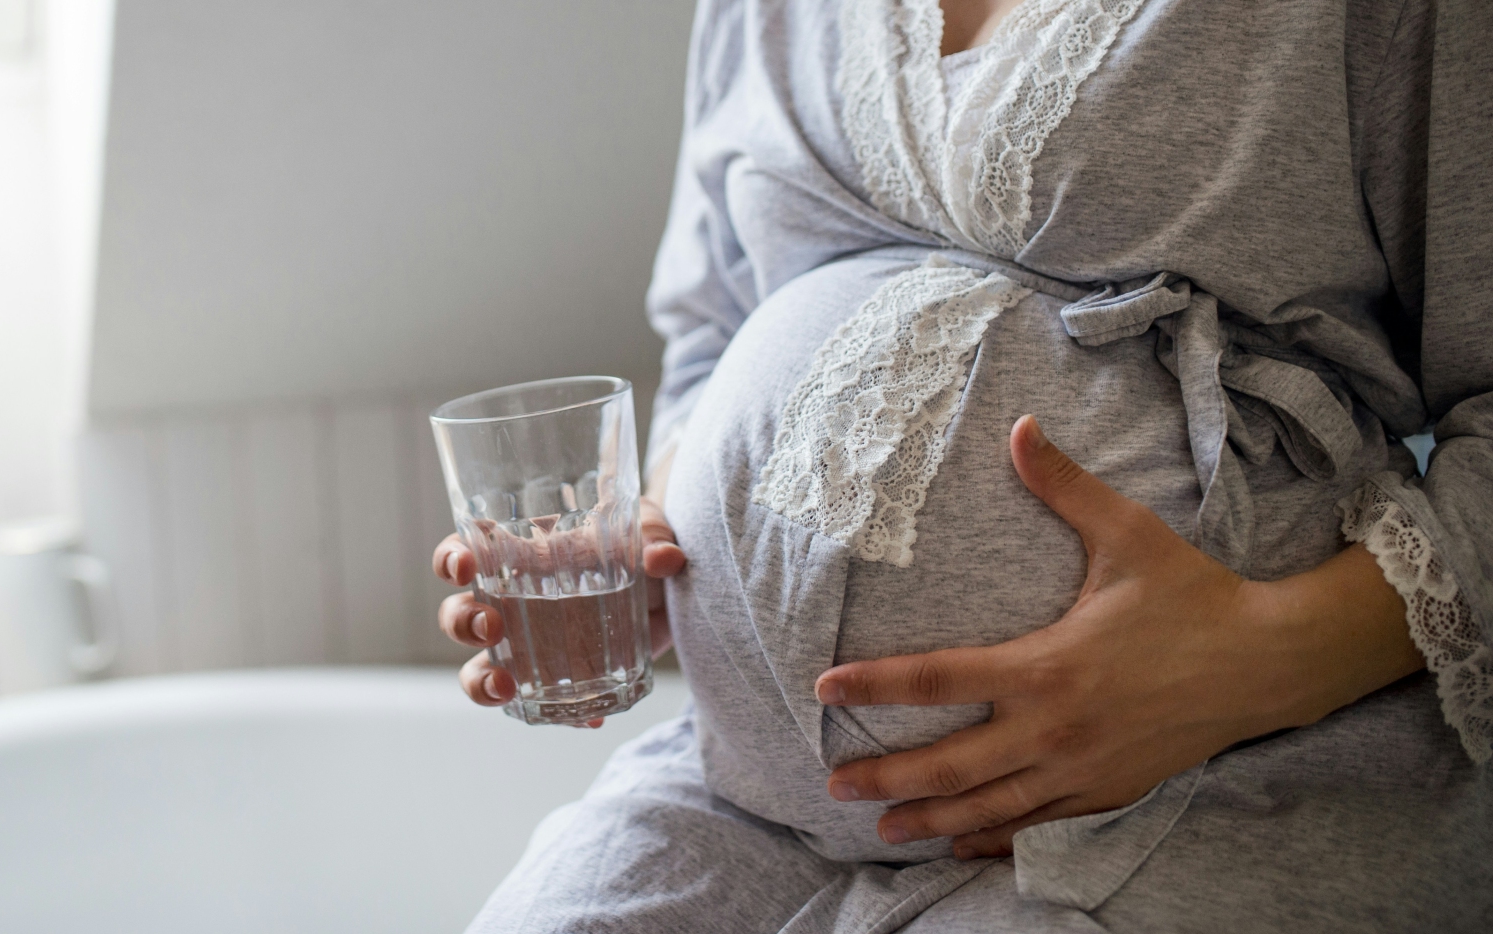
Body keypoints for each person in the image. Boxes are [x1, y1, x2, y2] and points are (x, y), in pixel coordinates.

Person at [434, 0, 1492, 930]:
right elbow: (709, 324)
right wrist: (656, 527)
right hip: (738, 794)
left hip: (1214, 792)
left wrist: (1263, 658)